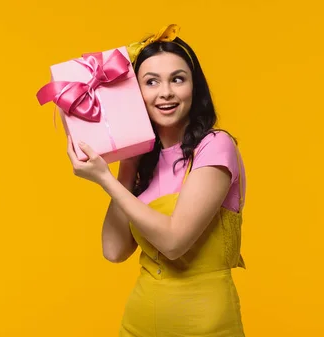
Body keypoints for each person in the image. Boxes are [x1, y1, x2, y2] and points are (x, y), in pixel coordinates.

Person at [66, 24, 247, 336]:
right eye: (151, 82)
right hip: (140, 324)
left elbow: (175, 242)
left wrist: (103, 180)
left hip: (205, 326)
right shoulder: (142, 163)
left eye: (177, 79)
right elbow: (113, 250)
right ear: (136, 95)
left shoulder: (215, 146)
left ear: (195, 88)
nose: (165, 92)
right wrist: (127, 164)